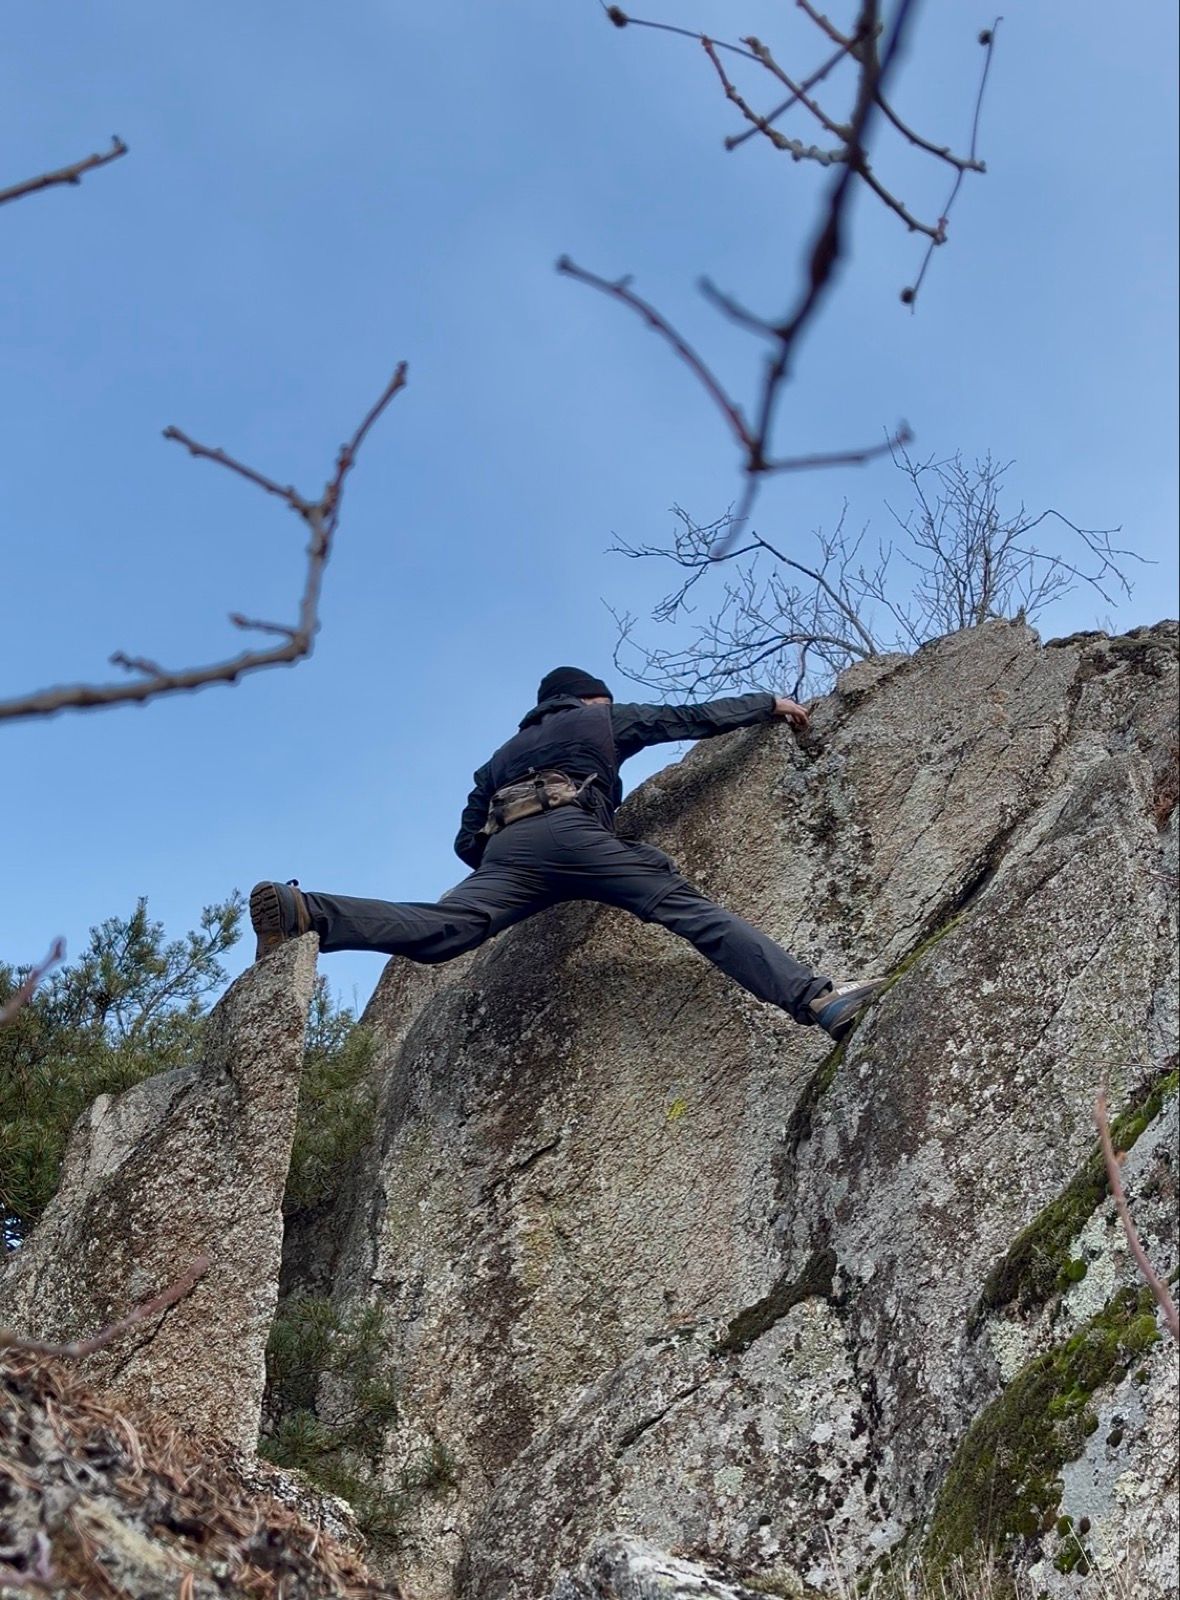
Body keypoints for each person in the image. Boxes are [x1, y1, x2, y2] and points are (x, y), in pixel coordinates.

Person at [250, 667, 883, 1041]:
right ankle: (818, 999)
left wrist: (515, 870)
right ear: (587, 698)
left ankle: (307, 911)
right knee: (688, 911)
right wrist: (768, 704)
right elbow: (687, 717)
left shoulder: (497, 758)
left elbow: (465, 840)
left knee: (449, 929)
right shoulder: (599, 720)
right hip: (575, 832)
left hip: (508, 851)